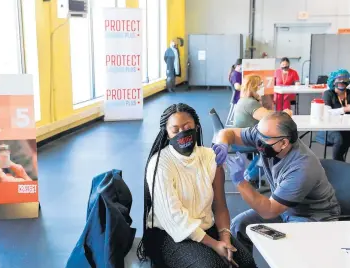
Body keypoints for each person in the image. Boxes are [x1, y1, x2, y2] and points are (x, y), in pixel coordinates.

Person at [137, 103, 257, 268]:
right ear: (166, 133)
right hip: (169, 235)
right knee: (213, 266)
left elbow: (220, 207)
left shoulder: (210, 158)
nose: (182, 133)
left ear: (196, 127)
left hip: (205, 227)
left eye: (187, 127)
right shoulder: (160, 164)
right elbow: (175, 219)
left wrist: (225, 239)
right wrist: (215, 245)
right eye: (175, 130)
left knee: (246, 262)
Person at [212, 112, 341, 253]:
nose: (257, 141)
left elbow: (269, 211)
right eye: (258, 135)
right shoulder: (266, 134)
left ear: (284, 143)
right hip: (283, 208)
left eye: (264, 139)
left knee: (288, 250)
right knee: (239, 225)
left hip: (312, 217)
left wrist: (240, 181)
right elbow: (227, 132)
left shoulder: (302, 167)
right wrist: (222, 144)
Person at [318, 69, 350, 161]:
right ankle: (337, 162)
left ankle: (341, 161)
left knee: (347, 137)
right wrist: (345, 109)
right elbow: (327, 112)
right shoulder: (328, 94)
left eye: (345, 80)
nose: (342, 82)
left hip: (345, 126)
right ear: (334, 81)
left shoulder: (349, 93)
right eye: (339, 79)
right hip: (329, 127)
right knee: (339, 139)